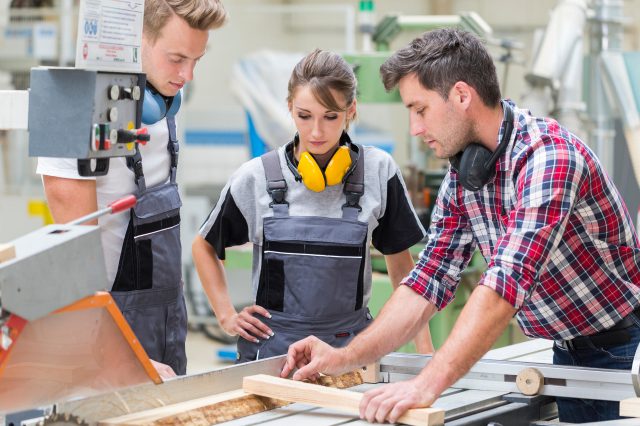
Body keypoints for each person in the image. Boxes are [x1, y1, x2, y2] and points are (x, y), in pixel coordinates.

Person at [281, 29, 640, 424]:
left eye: (420, 109)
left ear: (462, 96)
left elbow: (506, 283)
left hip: (624, 347)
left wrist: (426, 384)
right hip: (568, 347)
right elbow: (427, 279)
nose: (415, 128)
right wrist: (346, 355)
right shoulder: (465, 177)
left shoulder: (548, 158)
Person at [192, 49, 431, 363]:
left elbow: (403, 272)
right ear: (290, 108)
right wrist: (226, 315)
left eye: (330, 117)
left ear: (351, 111)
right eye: (305, 116)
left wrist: (426, 356)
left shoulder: (378, 172)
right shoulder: (258, 177)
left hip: (350, 353)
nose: (317, 132)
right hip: (272, 354)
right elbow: (204, 245)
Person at [36, 0, 228, 378]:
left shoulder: (162, 100)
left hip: (165, 326)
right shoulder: (71, 105)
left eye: (196, 60)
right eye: (176, 58)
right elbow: (77, 276)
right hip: (100, 342)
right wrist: (122, 358)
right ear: (135, 39)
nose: (187, 74)